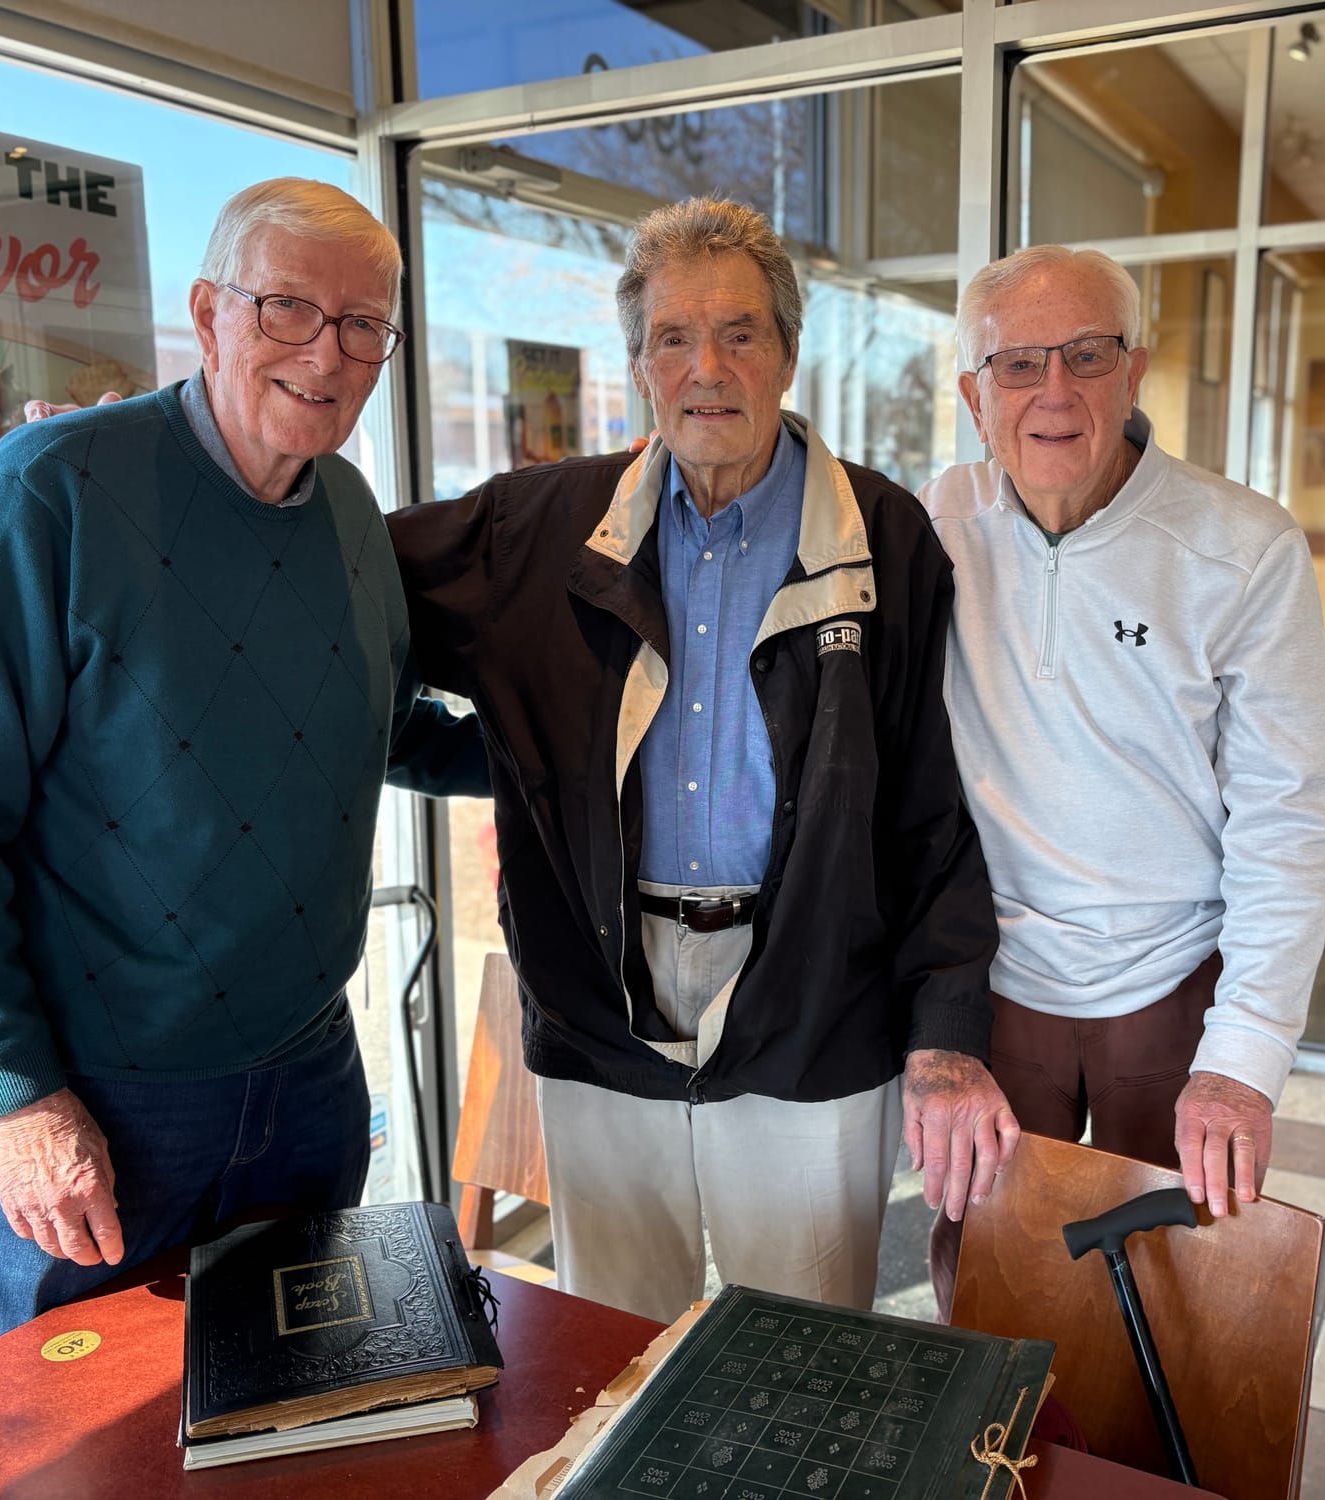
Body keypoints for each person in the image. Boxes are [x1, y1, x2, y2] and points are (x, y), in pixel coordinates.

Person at [0, 178, 488, 1359]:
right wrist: (17, 1100)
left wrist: (589, 755)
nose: (327, 353)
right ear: (207, 314)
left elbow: (384, 726)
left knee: (287, 1418)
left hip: (308, 1085)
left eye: (363, 325)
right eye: (287, 308)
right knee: (53, 1436)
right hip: (104, 1102)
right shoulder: (50, 488)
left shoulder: (351, 513)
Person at [388, 197, 1014, 1324]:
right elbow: (339, 586)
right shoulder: (537, 527)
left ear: (787, 353)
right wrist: (499, 761)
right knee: (610, 1349)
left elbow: (931, 809)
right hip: (601, 1001)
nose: (706, 368)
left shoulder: (884, 536)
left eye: (738, 333)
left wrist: (946, 1036)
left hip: (814, 996)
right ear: (639, 365)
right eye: (672, 338)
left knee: (803, 1351)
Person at [918, 245, 1325, 1312]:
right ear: (973, 396)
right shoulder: (937, 524)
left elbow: (1288, 820)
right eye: (1017, 365)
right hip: (997, 988)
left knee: (1171, 1303)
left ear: (1135, 370)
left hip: (1171, 987)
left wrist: (1242, 1057)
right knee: (988, 1288)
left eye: (1087, 354)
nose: (1054, 391)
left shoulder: (1243, 547)